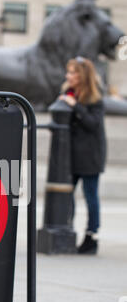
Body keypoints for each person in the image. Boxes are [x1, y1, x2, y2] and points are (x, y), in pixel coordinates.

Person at [59, 56, 107, 255]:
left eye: (72, 72)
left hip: (89, 155)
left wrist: (74, 105)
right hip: (71, 154)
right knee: (67, 195)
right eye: (68, 72)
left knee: (90, 196)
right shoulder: (67, 93)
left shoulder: (94, 98)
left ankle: (91, 236)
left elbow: (92, 123)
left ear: (82, 76)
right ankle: (67, 229)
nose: (68, 76)